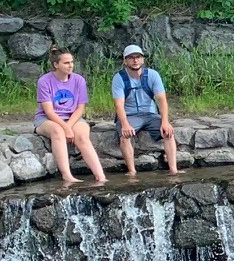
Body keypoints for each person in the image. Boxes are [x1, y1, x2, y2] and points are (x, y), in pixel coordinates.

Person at [35, 47, 106, 186]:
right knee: (58, 131)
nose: (71, 65)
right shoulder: (44, 81)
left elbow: (80, 108)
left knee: (82, 136)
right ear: (56, 65)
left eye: (72, 62)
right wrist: (65, 128)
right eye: (66, 63)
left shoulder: (78, 80)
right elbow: (49, 111)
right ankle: (67, 175)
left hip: (72, 117)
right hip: (47, 119)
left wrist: (69, 126)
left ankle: (100, 176)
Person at [111, 44, 178, 177]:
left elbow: (162, 99)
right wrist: (124, 124)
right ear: (125, 60)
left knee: (168, 133)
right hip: (130, 115)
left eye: (138, 57)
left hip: (150, 114)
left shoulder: (152, 75)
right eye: (131, 58)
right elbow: (118, 104)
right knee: (124, 136)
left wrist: (165, 121)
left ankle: (173, 169)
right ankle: (132, 171)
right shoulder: (119, 78)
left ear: (143, 59)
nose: (135, 60)